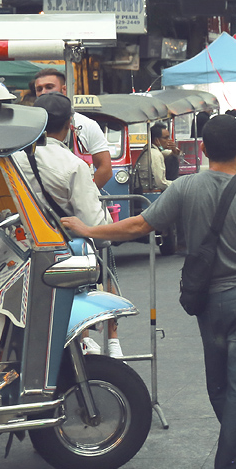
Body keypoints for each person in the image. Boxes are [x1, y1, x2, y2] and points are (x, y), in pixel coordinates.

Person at [62, 115, 236, 469]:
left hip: (208, 301)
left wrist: (88, 229)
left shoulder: (184, 188)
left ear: (203, 149)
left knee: (219, 384)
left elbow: (138, 226)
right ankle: (232, 462)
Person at [13, 93, 121, 357]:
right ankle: (108, 343)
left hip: (20, 252)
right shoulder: (73, 165)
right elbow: (94, 225)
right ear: (70, 124)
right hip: (65, 255)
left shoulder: (12, 158)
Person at [32, 68, 113, 189]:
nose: (43, 92)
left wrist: (84, 194)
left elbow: (105, 169)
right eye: (39, 89)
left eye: (49, 87)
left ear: (64, 89)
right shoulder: (30, 126)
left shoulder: (87, 125)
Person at [135, 122, 179, 193]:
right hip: (149, 191)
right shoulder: (155, 155)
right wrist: (178, 184)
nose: (169, 140)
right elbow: (160, 183)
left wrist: (174, 149)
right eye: (165, 138)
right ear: (156, 140)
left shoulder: (149, 150)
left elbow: (173, 154)